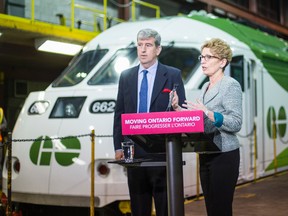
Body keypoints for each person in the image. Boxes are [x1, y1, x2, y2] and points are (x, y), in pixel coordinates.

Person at [113, 28, 186, 216]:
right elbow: (119, 113)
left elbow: (181, 114)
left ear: (158, 49)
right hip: (134, 152)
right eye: (139, 45)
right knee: (139, 208)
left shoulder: (172, 75)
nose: (143, 50)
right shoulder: (126, 76)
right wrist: (118, 147)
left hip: (162, 152)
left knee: (164, 208)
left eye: (148, 45)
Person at [172, 38, 242, 216]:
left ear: (222, 62)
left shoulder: (230, 85)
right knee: (211, 207)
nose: (203, 61)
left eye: (209, 57)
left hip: (224, 155)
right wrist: (178, 109)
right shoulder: (205, 86)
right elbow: (201, 120)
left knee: (221, 208)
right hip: (207, 153)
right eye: (201, 56)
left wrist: (209, 113)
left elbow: (235, 123)